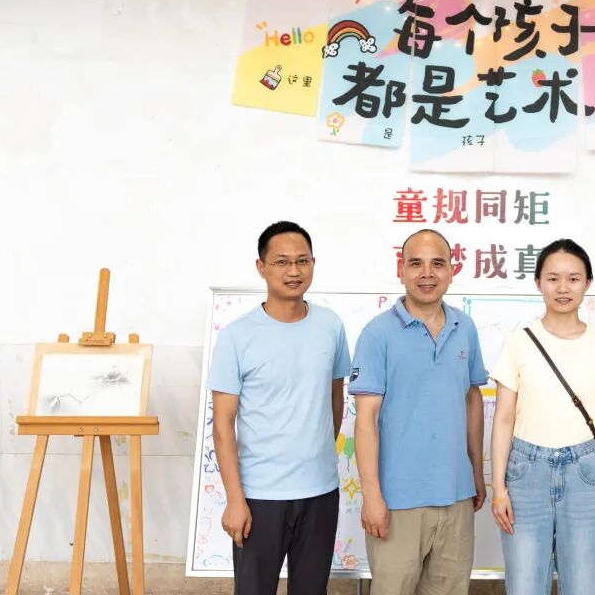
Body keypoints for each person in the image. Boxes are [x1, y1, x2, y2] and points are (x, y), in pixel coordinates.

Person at [208, 221, 351, 595]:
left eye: (302, 261)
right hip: (259, 497)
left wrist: (317, 452)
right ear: (262, 267)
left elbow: (334, 400)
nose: (293, 271)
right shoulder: (236, 336)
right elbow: (222, 425)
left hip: (320, 492)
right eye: (282, 262)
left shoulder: (331, 326)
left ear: (313, 263)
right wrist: (235, 499)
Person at [489, 238, 595, 595]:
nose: (563, 288)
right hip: (525, 472)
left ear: (588, 283)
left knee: (584, 586)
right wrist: (498, 489)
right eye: (553, 278)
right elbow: (504, 418)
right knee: (524, 586)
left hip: (585, 473)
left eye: (573, 278)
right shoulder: (520, 341)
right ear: (538, 282)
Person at [350, 229, 488, 595]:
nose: (427, 273)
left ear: (451, 271)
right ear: (401, 270)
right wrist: (372, 497)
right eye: (416, 264)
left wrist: (477, 472)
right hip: (397, 503)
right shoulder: (377, 334)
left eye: (437, 264)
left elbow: (472, 399)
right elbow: (366, 421)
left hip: (456, 497)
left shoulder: (464, 327)